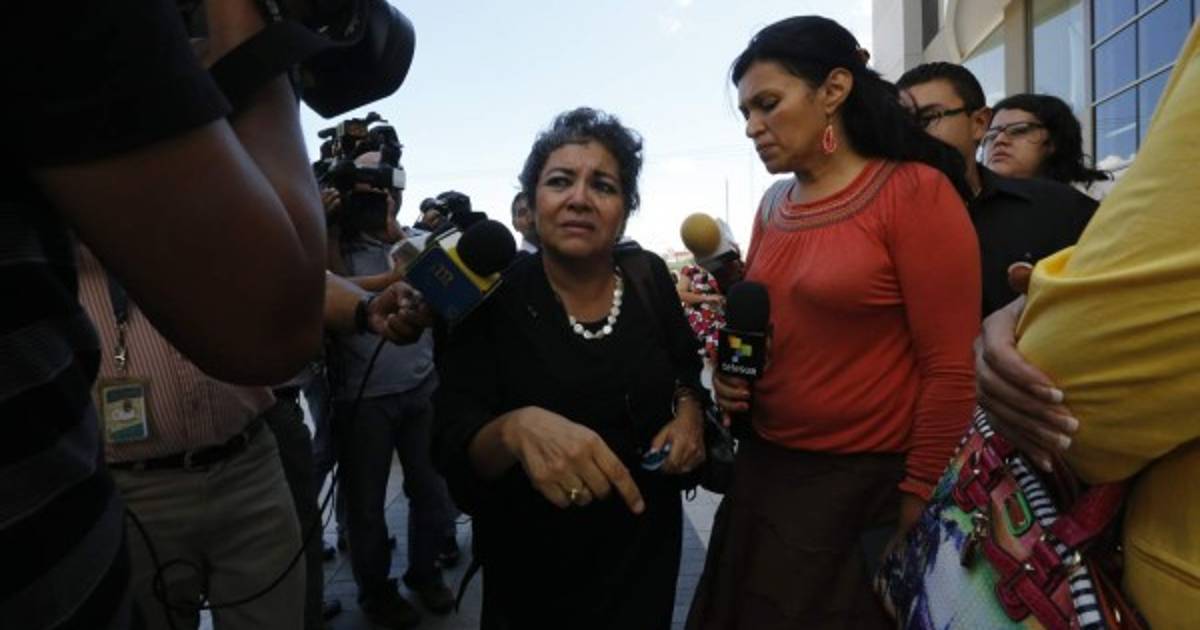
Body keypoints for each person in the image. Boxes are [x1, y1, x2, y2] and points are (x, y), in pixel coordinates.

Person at [1, 1, 333, 627]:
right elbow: (270, 322)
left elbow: (297, 287)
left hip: (244, 462)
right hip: (128, 489)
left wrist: (366, 307)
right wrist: (248, 29)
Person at [687, 17, 980, 629]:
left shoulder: (915, 192)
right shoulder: (772, 205)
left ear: (834, 90)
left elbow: (951, 367)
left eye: (768, 104)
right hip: (765, 478)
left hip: (865, 494)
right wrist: (733, 376)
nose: (752, 127)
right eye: (745, 112)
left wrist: (918, 496)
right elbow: (779, 330)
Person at [432, 107, 708, 629]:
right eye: (560, 181)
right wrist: (514, 429)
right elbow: (452, 446)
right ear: (531, 203)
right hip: (531, 574)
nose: (579, 198)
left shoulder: (648, 276)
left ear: (625, 210)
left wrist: (689, 413)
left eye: (603, 185)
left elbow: (685, 368)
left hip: (644, 557)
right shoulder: (491, 299)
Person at [975, 24, 1200, 627]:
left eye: (1015, 130)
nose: (997, 141)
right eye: (991, 133)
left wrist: (1031, 322)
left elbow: (1063, 382)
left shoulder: (1084, 202)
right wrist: (1022, 310)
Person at [76, 247, 307, 630]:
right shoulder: (56, 230)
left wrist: (362, 309)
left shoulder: (219, 219)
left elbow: (294, 275)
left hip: (249, 470)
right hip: (132, 492)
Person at [328, 152, 457, 629]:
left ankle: (425, 574)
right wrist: (328, 226)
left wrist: (395, 236)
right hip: (362, 400)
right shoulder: (333, 246)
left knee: (432, 491)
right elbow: (326, 286)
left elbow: (449, 289)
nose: (375, 198)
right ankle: (376, 592)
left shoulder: (414, 241)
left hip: (422, 388)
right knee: (365, 507)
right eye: (363, 190)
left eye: (383, 188)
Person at [898, 62, 1098, 317]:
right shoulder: (877, 224)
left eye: (928, 118)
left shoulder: (1059, 208)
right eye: (902, 124)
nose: (912, 135)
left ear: (979, 122)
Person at [984, 93, 1113, 200]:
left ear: (1054, 142)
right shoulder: (977, 211)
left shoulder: (1104, 198)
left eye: (1019, 130)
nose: (999, 140)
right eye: (991, 135)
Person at [675, 262, 725, 363]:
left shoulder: (725, 264)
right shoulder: (691, 270)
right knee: (707, 362)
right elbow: (679, 294)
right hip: (700, 326)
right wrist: (706, 298)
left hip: (720, 323)